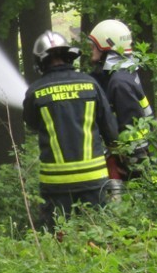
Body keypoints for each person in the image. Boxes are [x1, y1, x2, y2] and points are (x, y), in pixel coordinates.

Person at [23, 30, 119, 230]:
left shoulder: (35, 91)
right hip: (93, 178)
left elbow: (31, 125)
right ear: (68, 55)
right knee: (98, 232)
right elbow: (110, 129)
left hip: (56, 183)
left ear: (40, 61)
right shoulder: (90, 84)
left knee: (57, 235)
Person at [86, 19, 157, 181]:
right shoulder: (124, 75)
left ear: (106, 46)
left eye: (93, 46)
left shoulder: (119, 84)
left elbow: (132, 131)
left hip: (138, 167)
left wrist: (133, 167)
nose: (91, 49)